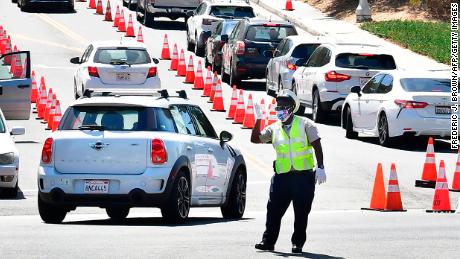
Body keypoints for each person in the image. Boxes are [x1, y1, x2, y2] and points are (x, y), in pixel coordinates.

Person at [251, 89, 326, 253]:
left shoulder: (306, 124)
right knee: (273, 211)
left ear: (292, 108)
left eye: (284, 106)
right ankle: (268, 241)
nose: (280, 109)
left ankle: (297, 244)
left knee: (301, 213)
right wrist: (258, 119)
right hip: (282, 177)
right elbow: (255, 139)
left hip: (303, 177)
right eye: (278, 107)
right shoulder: (274, 128)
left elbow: (317, 145)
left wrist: (321, 167)